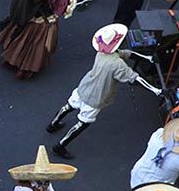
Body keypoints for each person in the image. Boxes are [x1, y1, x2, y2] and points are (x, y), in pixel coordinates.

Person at [46, 23, 161, 158]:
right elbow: (135, 78)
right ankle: (60, 145)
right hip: (97, 97)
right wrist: (156, 90)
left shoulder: (101, 52)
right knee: (83, 123)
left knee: (69, 106)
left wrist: (146, 58)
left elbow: (125, 54)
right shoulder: (117, 65)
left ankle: (53, 124)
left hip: (85, 86)